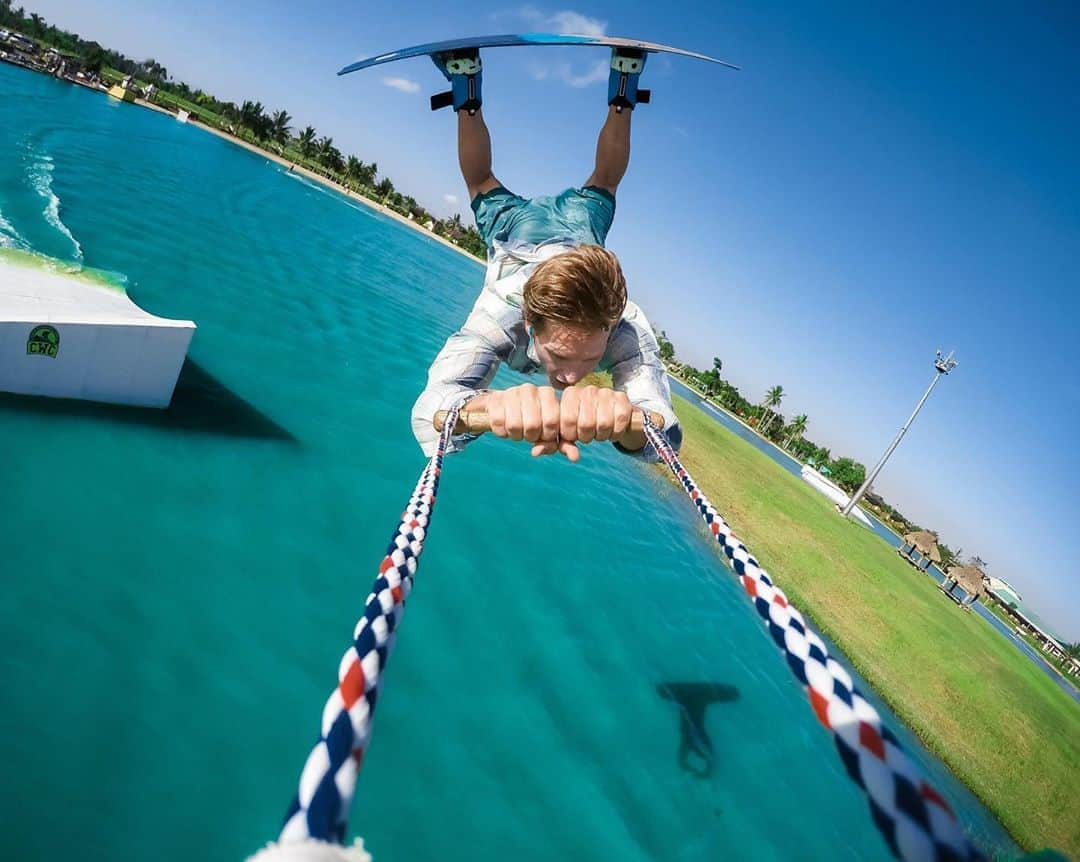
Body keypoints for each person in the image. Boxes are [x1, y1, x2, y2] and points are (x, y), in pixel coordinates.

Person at [411, 46, 681, 463]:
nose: (572, 379)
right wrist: (484, 407)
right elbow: (431, 410)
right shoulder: (502, 309)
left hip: (573, 236)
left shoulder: (625, 323)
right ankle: (470, 79)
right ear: (528, 322)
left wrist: (629, 417)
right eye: (559, 355)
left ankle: (471, 82)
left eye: (589, 357)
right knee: (497, 181)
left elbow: (664, 433)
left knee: (594, 182)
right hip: (520, 233)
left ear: (609, 330)